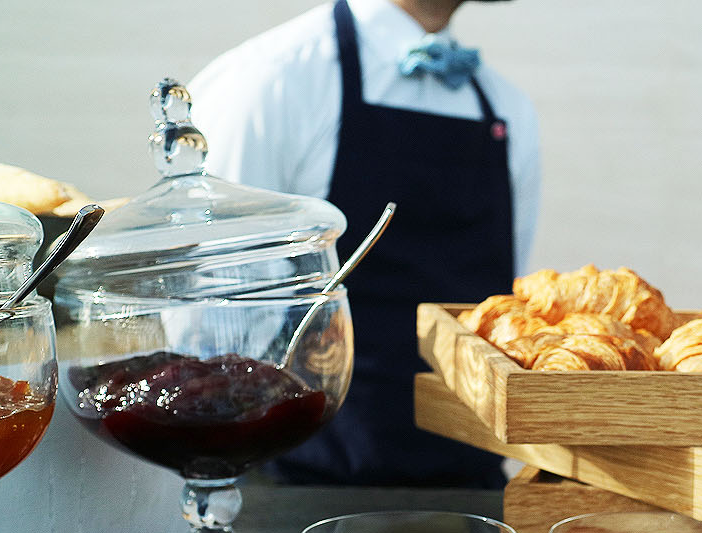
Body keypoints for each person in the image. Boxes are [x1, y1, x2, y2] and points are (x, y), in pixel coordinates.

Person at [189, 0, 539, 487]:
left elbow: (502, 308)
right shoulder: (270, 81)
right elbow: (209, 330)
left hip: (471, 486)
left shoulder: (507, 107)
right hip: (295, 487)